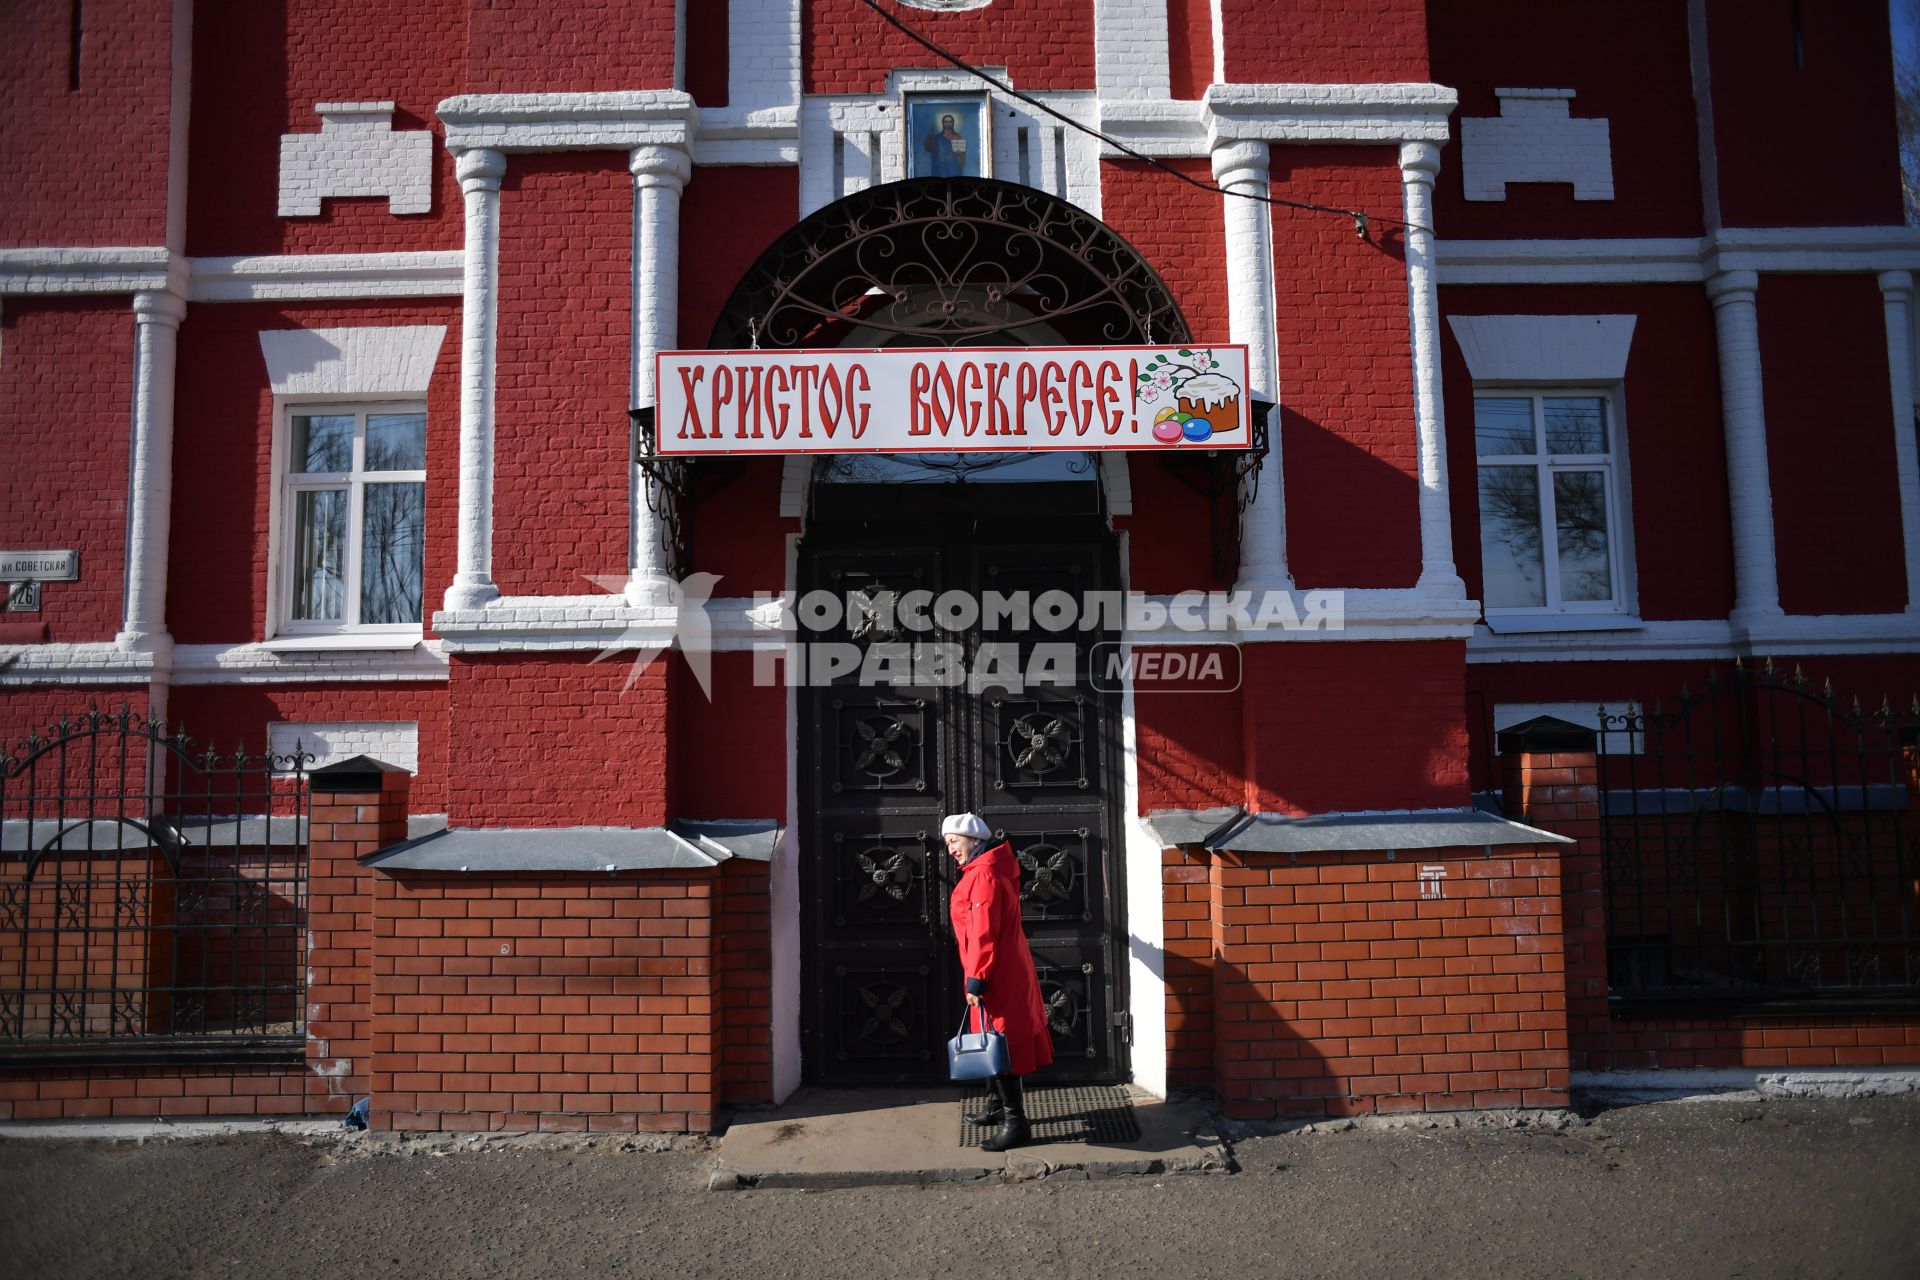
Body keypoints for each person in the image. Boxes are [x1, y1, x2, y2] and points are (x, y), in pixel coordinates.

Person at [943, 811, 1052, 1151]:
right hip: (1000, 969)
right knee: (992, 1038)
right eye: (947, 843)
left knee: (1002, 1045)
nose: (950, 850)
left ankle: (1016, 1124)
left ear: (974, 840)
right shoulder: (987, 870)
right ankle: (995, 1108)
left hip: (995, 973)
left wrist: (977, 977)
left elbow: (982, 933)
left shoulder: (984, 876)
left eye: (954, 841)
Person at [923, 112, 967, 177]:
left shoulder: (957, 137)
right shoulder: (937, 138)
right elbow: (929, 148)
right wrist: (930, 135)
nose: (948, 124)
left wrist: (960, 153)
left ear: (953, 123)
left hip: (954, 170)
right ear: (943, 123)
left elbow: (961, 160)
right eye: (946, 122)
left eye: (950, 122)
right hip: (941, 170)